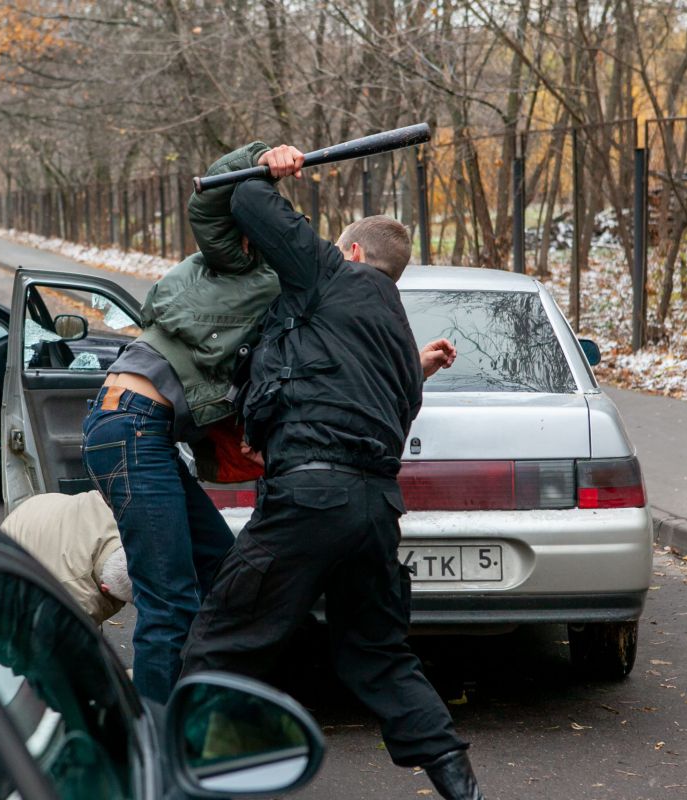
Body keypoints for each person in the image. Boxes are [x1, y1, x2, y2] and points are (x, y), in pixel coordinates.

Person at [181, 145, 485, 800]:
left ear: (350, 251)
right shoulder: (397, 339)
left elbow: (246, 198)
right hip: (375, 510)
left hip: (309, 497)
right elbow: (371, 396)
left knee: (219, 645)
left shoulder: (329, 275)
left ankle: (197, 781)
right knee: (377, 654)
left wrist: (273, 165)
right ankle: (456, 777)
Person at [81, 142, 284, 703]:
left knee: (219, 569)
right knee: (168, 600)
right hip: (130, 424)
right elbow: (209, 202)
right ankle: (157, 742)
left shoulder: (283, 293)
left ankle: (200, 710)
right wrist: (262, 157)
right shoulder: (236, 263)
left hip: (145, 433)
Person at [0, 491, 132, 626]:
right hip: (8, 566)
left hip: (40, 509)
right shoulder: (78, 602)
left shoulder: (123, 516)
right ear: (105, 588)